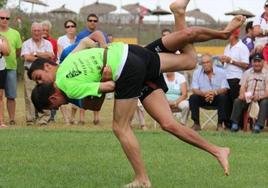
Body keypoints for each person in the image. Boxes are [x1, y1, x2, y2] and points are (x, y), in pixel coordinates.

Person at [29, 1, 245, 186]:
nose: (58, 107)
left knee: (119, 127)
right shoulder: (67, 64)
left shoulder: (67, 85)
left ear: (52, 96)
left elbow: (108, 87)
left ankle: (142, 179)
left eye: (39, 78)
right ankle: (218, 150)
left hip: (126, 67)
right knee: (186, 69)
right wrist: (104, 56)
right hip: (131, 53)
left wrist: (105, 67)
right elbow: (93, 96)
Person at [21, 22, 54, 126]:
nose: (37, 33)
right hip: (30, 73)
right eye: (34, 30)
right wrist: (43, 56)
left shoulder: (48, 44)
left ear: (42, 31)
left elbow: (51, 56)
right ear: (31, 31)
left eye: (39, 30)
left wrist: (36, 54)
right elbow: (27, 57)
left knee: (45, 95)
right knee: (29, 96)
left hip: (44, 74)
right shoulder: (26, 43)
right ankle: (30, 120)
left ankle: (43, 119)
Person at [189, 53, 230, 131]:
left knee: (223, 97)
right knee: (193, 97)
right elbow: (194, 89)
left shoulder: (221, 72)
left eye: (207, 62)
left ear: (212, 63)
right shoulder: (196, 72)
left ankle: (220, 124)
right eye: (203, 63)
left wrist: (214, 93)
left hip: (216, 97)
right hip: (203, 97)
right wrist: (204, 94)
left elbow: (225, 88)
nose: (205, 65)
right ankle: (196, 123)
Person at [219, 28, 249, 129]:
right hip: (226, 78)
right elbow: (226, 64)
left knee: (235, 102)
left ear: (234, 35)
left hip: (236, 78)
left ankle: (237, 124)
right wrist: (223, 61)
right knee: (226, 102)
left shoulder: (242, 47)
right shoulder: (227, 47)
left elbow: (246, 65)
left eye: (228, 34)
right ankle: (228, 124)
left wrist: (231, 61)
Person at [230, 53, 268, 133]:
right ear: (252, 62)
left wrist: (259, 97)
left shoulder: (267, 73)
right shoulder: (247, 73)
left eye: (259, 61)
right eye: (255, 61)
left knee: (265, 102)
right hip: (248, 97)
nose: (257, 63)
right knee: (238, 101)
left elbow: (267, 92)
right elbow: (242, 87)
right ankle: (235, 124)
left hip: (262, 98)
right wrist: (242, 95)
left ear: (263, 62)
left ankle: (258, 126)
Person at [0, 9, 22, 125]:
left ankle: (12, 119)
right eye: (2, 18)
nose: (4, 20)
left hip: (11, 68)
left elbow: (18, 51)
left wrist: (11, 58)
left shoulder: (15, 33)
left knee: (11, 95)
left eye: (7, 18)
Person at [0, 35, 10, 127]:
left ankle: (1, 121)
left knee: (0, 96)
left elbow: (7, 52)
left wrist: (3, 41)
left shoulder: (2, 38)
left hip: (1, 68)